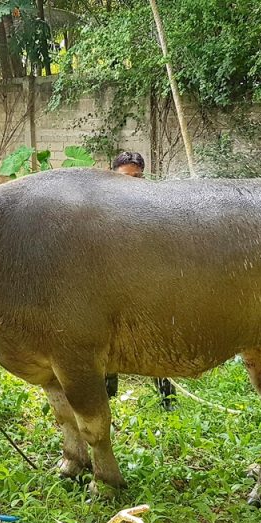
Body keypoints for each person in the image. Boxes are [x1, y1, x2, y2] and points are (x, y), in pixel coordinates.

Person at [105, 151, 177, 410]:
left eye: (137, 177)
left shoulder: (154, 206)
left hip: (147, 285)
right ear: (112, 176)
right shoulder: (103, 207)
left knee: (155, 336)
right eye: (125, 177)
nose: (132, 183)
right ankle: (108, 391)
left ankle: (166, 396)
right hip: (112, 284)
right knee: (107, 336)